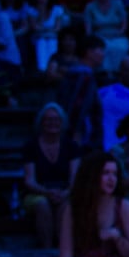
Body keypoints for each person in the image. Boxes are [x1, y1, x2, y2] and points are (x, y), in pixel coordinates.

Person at [23, 103, 81, 248]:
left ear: (62, 123)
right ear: (41, 122)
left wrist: (65, 192)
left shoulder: (71, 146)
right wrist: (47, 192)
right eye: (48, 119)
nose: (52, 123)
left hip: (65, 191)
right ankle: (47, 248)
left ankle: (63, 249)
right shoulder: (31, 147)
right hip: (38, 191)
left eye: (56, 119)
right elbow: (29, 180)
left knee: (66, 205)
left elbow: (75, 178)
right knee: (42, 204)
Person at [84, 0, 129, 74]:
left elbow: (124, 23)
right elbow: (88, 28)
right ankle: (105, 73)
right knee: (104, 48)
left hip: (117, 35)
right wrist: (90, 40)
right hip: (99, 36)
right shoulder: (90, 7)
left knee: (120, 47)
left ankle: (118, 72)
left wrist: (120, 33)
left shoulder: (118, 4)